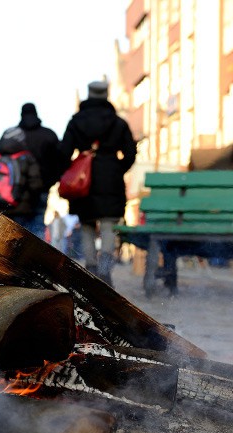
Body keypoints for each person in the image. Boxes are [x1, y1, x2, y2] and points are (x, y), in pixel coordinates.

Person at [59, 81, 137, 287]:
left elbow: (64, 151)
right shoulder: (119, 122)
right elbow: (130, 153)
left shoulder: (76, 121)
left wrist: (74, 170)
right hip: (111, 177)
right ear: (106, 95)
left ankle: (91, 268)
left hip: (84, 180)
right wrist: (117, 168)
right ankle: (105, 270)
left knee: (86, 225)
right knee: (109, 225)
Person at [0, 103, 61, 239]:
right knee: (37, 225)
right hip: (40, 188)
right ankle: (34, 257)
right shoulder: (48, 135)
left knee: (15, 228)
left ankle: (13, 258)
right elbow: (60, 162)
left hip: (14, 191)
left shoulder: (10, 136)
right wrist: (49, 182)